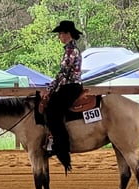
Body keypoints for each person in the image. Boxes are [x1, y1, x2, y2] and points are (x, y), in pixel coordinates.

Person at [43, 20, 84, 175]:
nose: (59, 36)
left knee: (52, 109)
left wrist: (49, 89)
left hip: (70, 86)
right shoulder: (70, 50)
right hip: (70, 85)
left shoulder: (71, 51)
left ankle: (60, 144)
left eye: (60, 33)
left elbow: (63, 73)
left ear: (67, 34)